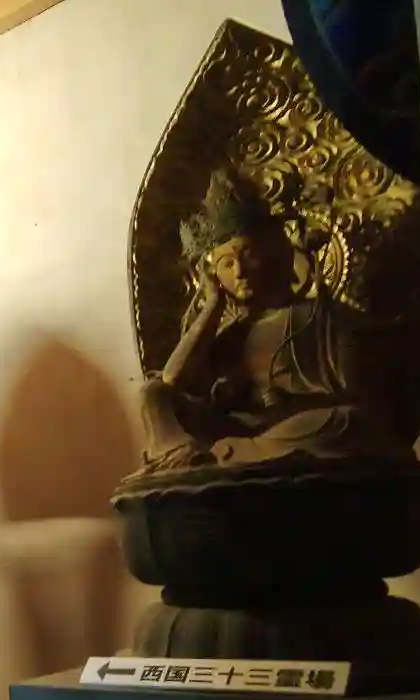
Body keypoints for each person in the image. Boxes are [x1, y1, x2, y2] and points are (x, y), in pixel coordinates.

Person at [133, 170, 404, 475]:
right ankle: (190, 454)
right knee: (152, 394)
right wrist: (211, 307)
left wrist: (288, 403)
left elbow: (363, 396)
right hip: (238, 430)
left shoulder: (319, 317)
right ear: (213, 275)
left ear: (277, 254)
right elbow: (172, 381)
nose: (240, 271)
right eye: (226, 263)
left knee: (349, 421)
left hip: (299, 428)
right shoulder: (224, 334)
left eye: (248, 255)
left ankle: (222, 456)